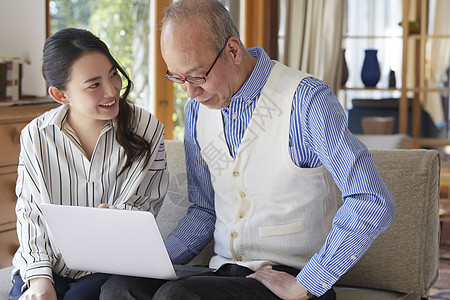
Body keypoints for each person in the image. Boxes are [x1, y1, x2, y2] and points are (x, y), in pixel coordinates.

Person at [100, 0, 395, 299]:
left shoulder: (306, 100)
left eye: (197, 76)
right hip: (223, 274)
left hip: (289, 279)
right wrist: (151, 262)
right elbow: (204, 210)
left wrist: (306, 283)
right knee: (118, 287)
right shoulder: (196, 110)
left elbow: (371, 199)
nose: (190, 92)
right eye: (178, 78)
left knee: (176, 296)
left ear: (233, 50)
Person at [9, 28, 168, 300]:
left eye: (113, 74)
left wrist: (116, 218)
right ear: (61, 95)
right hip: (45, 265)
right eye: (94, 84)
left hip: (111, 269)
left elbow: (144, 208)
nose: (112, 90)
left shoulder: (145, 128)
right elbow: (30, 215)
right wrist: (39, 280)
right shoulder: (37, 135)